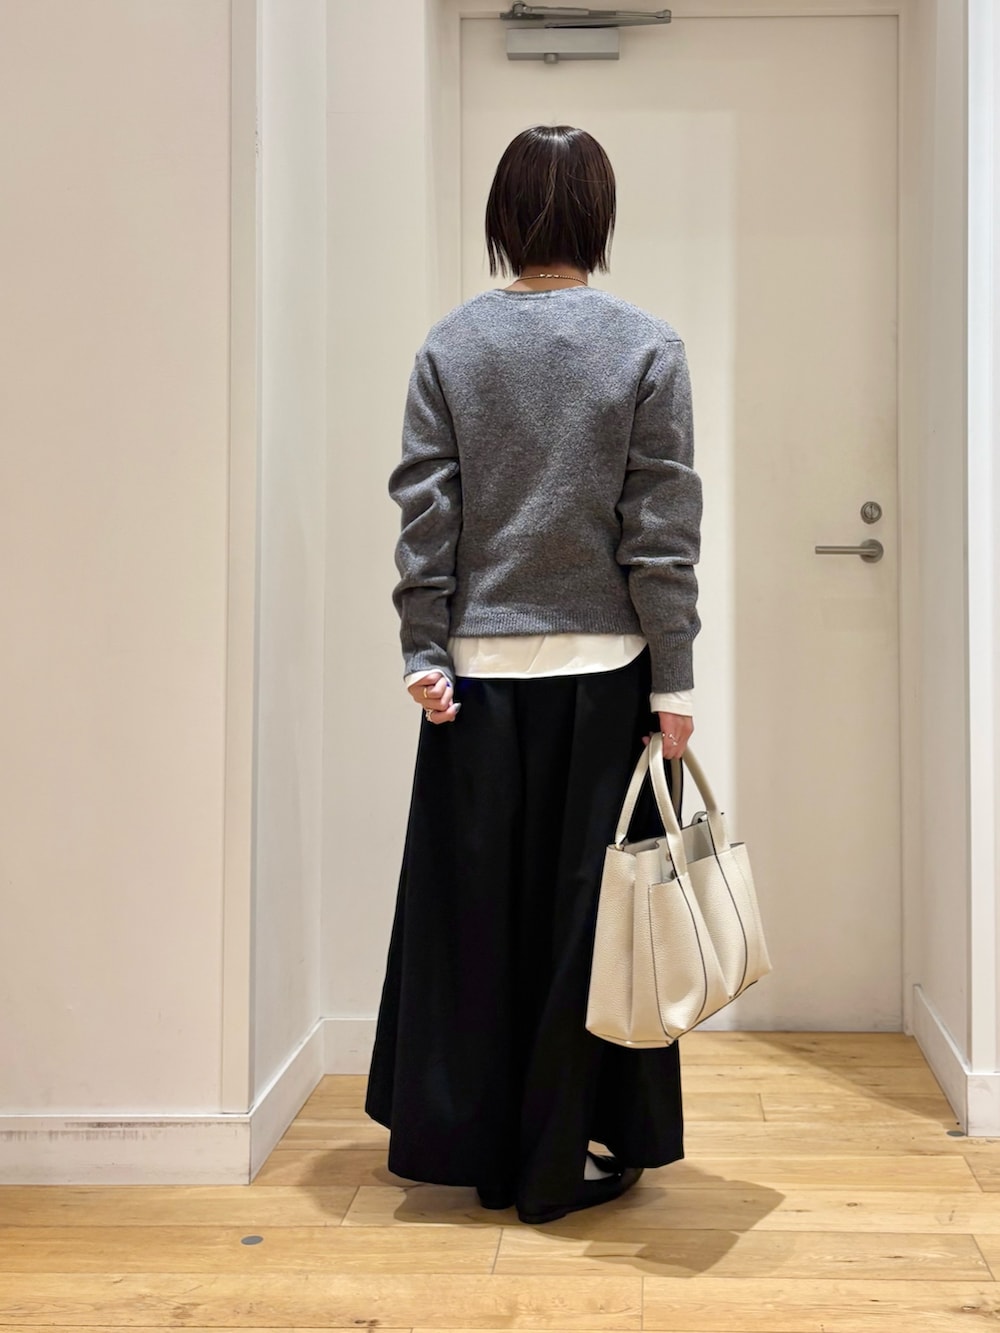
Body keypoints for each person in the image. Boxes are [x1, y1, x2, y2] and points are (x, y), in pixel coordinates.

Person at [364, 124, 702, 1226]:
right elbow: (661, 533)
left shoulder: (451, 345)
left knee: (476, 922)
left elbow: (426, 514)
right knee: (590, 926)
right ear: (597, 216)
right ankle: (561, 1158)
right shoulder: (647, 345)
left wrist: (422, 650)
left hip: (475, 680)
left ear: (503, 218)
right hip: (606, 675)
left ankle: (485, 1151)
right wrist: (674, 683)